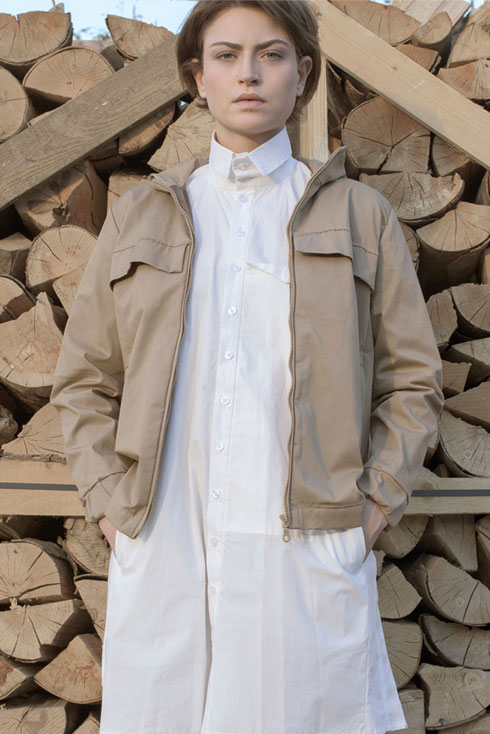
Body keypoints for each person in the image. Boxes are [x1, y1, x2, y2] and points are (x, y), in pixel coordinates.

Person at [50, 1, 444, 732]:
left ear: (304, 74)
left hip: (303, 548)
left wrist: (370, 512)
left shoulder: (359, 216)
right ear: (198, 77)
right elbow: (84, 379)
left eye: (272, 54)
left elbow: (413, 380)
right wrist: (110, 506)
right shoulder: (141, 215)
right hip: (164, 539)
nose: (249, 74)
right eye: (227, 55)